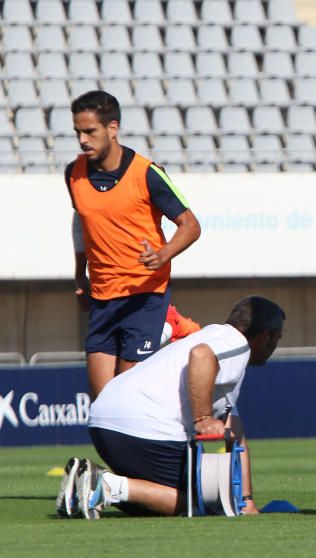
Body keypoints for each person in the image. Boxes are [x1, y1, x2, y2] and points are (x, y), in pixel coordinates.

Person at [56, 296, 285, 519]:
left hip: (103, 421)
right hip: (144, 425)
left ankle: (89, 485)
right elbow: (202, 355)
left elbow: (236, 434)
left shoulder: (212, 336)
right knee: (204, 503)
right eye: (278, 339)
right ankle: (106, 485)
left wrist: (246, 501)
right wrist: (203, 417)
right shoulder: (237, 345)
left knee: (156, 505)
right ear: (266, 336)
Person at [67, 91, 201, 397]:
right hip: (102, 297)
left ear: (112, 128)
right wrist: (79, 274)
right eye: (77, 132)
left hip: (144, 296)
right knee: (102, 404)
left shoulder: (147, 174)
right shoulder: (73, 174)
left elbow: (191, 226)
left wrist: (163, 253)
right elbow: (81, 220)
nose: (83, 140)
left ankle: (170, 324)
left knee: (127, 398)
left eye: (90, 131)